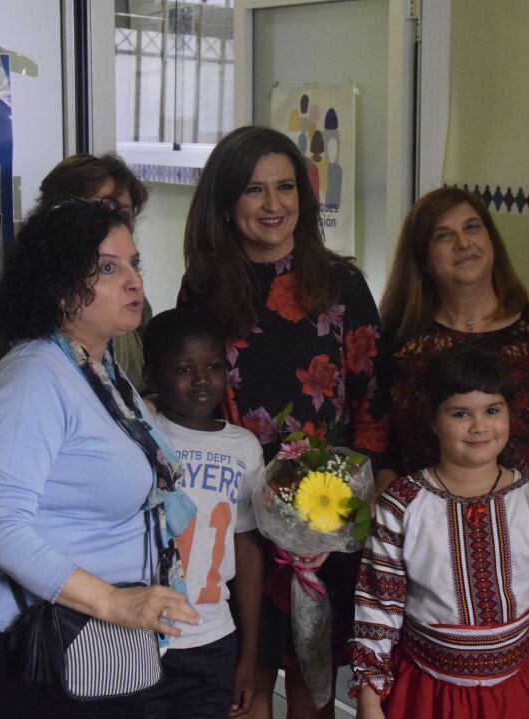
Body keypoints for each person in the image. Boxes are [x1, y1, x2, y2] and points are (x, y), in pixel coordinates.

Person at [0, 200, 200, 718]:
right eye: (107, 267)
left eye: (134, 264)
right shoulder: (33, 376)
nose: (133, 282)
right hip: (18, 640)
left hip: (86, 634)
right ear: (59, 287)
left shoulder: (99, 368)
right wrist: (115, 602)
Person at [178, 125, 389, 719]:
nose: (274, 205)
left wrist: (335, 525)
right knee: (241, 687)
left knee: (311, 692)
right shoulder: (203, 288)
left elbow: (372, 409)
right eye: (254, 190)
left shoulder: (342, 283)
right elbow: (188, 407)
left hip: (323, 524)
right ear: (225, 202)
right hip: (232, 519)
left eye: (286, 187)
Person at [0, 153, 153, 598]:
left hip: (97, 548)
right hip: (20, 563)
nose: (103, 222)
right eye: (88, 209)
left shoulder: (127, 312)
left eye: (118, 213)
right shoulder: (9, 328)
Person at [350, 343, 529, 719]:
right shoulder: (400, 505)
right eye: (460, 413)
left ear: (509, 415)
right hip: (426, 694)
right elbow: (377, 607)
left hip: (516, 697)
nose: (479, 426)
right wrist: (370, 703)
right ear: (434, 420)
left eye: (493, 410)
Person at [379, 186, 529, 546]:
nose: (462, 242)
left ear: (491, 240)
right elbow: (379, 438)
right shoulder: (397, 342)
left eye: (472, 228)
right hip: (427, 539)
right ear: (422, 257)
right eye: (444, 235)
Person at [139, 308, 265, 719]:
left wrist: (248, 656)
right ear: (152, 375)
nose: (200, 381)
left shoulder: (243, 447)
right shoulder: (142, 430)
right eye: (182, 368)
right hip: (140, 637)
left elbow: (245, 549)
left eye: (213, 366)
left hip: (213, 639)